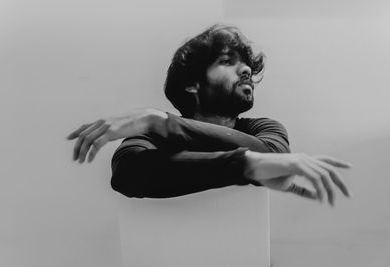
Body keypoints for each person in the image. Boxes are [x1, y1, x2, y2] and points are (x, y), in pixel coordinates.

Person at [67, 24, 353, 206]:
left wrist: (163, 121)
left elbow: (272, 154)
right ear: (192, 83)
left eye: (247, 67)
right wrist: (243, 165)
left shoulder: (263, 127)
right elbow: (129, 173)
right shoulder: (150, 134)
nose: (246, 71)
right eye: (227, 62)